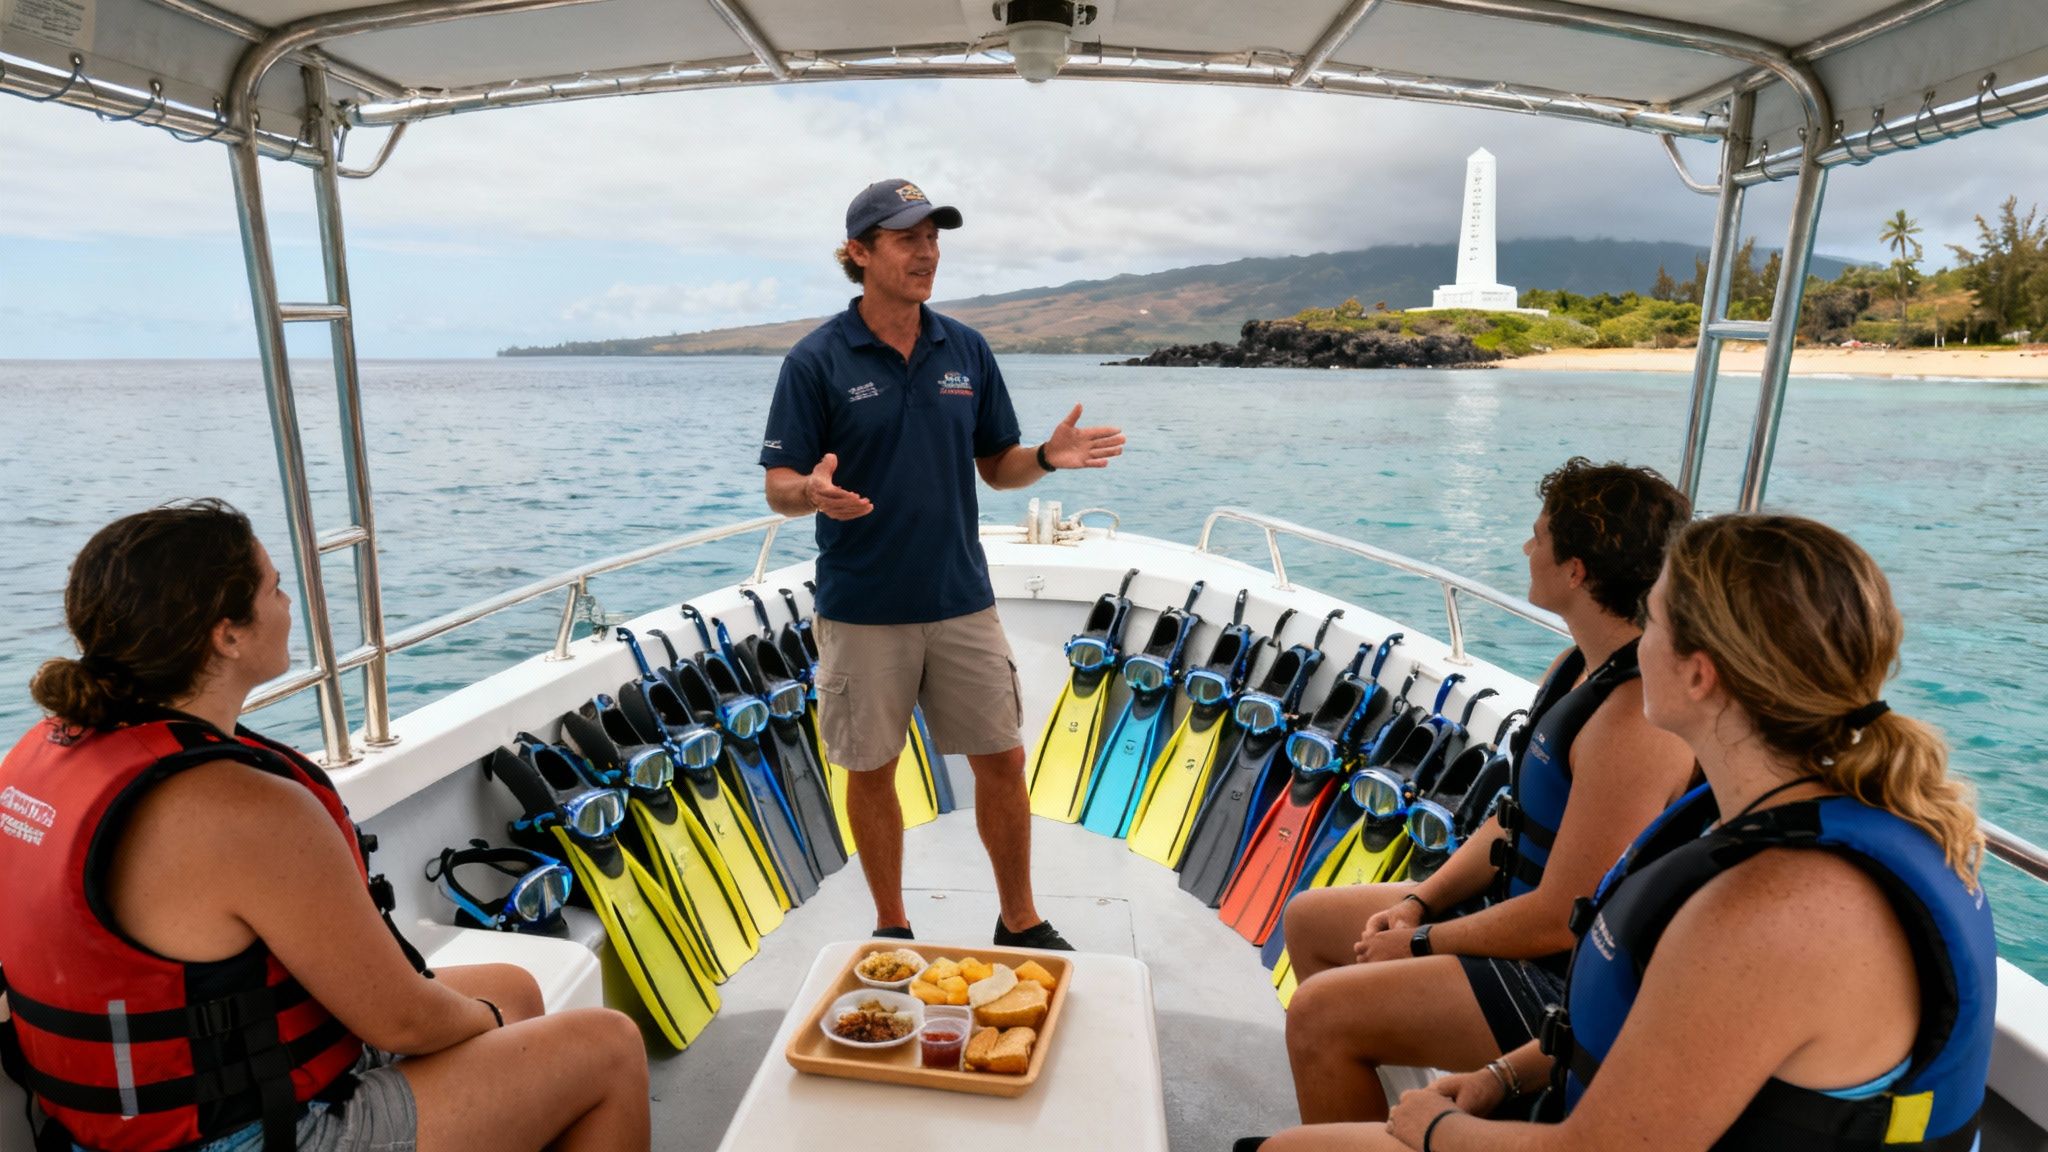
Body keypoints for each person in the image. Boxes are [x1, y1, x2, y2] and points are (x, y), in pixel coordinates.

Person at [1282, 514, 1997, 1151]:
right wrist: (1501, 1077)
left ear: (1698, 676)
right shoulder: (1766, 814)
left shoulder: (1779, 911)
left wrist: (1439, 1131)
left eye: (1651, 623)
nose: (1636, 644)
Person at [0, 501, 649, 1152]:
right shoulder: (240, 806)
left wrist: (488, 1018)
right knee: (608, 1048)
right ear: (226, 634)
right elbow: (402, 1022)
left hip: (116, 1125)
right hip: (247, 1135)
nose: (288, 605)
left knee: (513, 988)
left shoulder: (46, 755)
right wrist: (484, 1024)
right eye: (275, 588)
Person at [758, 178, 1124, 947]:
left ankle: (1019, 919)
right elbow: (780, 487)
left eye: (934, 238)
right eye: (907, 239)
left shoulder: (966, 348)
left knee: (1002, 759)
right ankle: (893, 924)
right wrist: (812, 494)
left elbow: (998, 465)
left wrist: (1047, 460)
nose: (926, 253)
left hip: (961, 597)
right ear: (859, 253)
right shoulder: (815, 360)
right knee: (872, 771)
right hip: (862, 606)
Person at [1278, 458, 1696, 1123]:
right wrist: (1419, 901)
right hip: (1509, 913)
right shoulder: (1574, 669)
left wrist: (1418, 946)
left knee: (1319, 1015)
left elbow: (1562, 916)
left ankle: (1354, 1067)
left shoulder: (1632, 721)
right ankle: (1364, 1119)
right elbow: (1514, 821)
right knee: (1312, 920)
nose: (1526, 549)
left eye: (1538, 538)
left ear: (1576, 571)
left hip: (1565, 979)